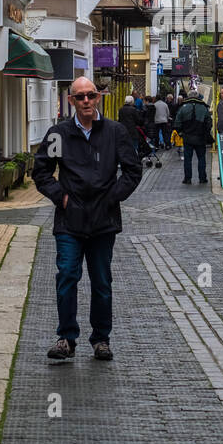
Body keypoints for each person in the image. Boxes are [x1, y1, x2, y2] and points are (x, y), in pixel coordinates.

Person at [32, 77, 143, 361]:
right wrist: (61, 197)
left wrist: (112, 197)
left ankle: (101, 339)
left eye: (90, 96)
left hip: (103, 222)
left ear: (98, 98)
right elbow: (41, 171)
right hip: (70, 220)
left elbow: (132, 171)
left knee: (102, 281)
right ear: (70, 101)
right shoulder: (59, 134)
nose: (85, 101)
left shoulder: (114, 132)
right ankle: (67, 338)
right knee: (67, 275)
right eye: (79, 97)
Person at [174, 90, 212, 185]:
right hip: (200, 138)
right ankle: (202, 178)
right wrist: (205, 133)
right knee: (201, 158)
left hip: (187, 138)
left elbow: (177, 123)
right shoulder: (203, 107)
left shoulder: (183, 108)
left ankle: (187, 179)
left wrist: (181, 134)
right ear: (198, 96)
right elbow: (209, 123)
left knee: (187, 159)